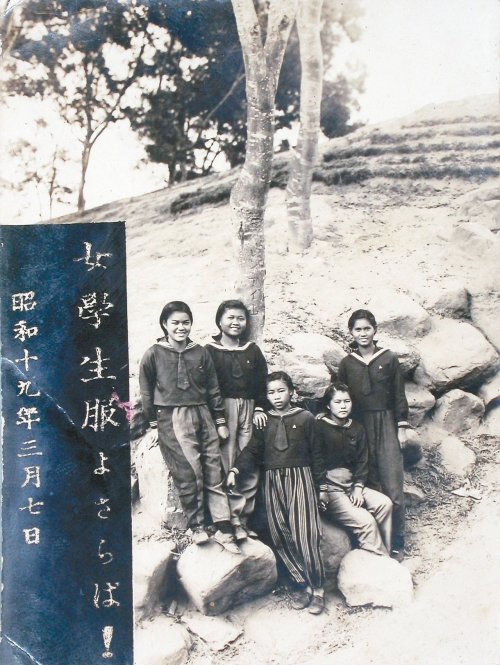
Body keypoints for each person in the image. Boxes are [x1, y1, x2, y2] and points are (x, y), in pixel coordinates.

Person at [139, 301, 239, 553]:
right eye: (175, 323)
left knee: (213, 467)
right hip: (172, 417)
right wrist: (152, 425)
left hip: (202, 412)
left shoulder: (200, 352)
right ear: (164, 324)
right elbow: (146, 391)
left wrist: (219, 420)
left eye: (186, 322)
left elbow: (213, 388)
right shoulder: (153, 353)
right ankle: (197, 525)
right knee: (188, 470)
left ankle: (223, 524)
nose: (181, 327)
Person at [227, 372, 325, 614]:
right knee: (280, 533)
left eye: (281, 390)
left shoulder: (306, 418)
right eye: (271, 392)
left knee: (306, 533)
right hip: (272, 481)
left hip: (300, 479)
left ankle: (318, 588)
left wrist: (322, 488)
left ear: (291, 391)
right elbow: (252, 450)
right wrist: (235, 470)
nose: (277, 396)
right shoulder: (264, 421)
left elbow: (318, 455)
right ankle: (302, 584)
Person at [337, 309, 409, 561]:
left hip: (386, 421)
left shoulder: (388, 359)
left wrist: (401, 427)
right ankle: (373, 542)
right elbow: (340, 396)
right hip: (359, 425)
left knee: (393, 485)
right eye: (357, 329)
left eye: (367, 328)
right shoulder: (347, 363)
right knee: (369, 482)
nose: (363, 333)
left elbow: (399, 395)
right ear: (351, 333)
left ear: (375, 330)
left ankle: (397, 541)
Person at [205, 299, 268, 541]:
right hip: (223, 410)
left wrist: (260, 408)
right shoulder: (209, 350)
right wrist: (218, 418)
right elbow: (208, 387)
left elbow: (262, 380)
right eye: (230, 317)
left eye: (240, 318)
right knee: (226, 460)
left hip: (250, 410)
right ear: (220, 320)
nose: (235, 322)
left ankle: (244, 519)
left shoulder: (252, 350)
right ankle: (228, 519)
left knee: (248, 460)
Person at [316, 382, 392, 556]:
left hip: (352, 485)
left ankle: (385, 553)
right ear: (328, 405)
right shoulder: (318, 427)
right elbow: (316, 461)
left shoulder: (357, 428)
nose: (343, 406)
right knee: (366, 521)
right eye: (337, 402)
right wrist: (322, 488)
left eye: (346, 401)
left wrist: (358, 487)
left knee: (384, 504)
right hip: (330, 489)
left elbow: (362, 461)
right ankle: (379, 560)